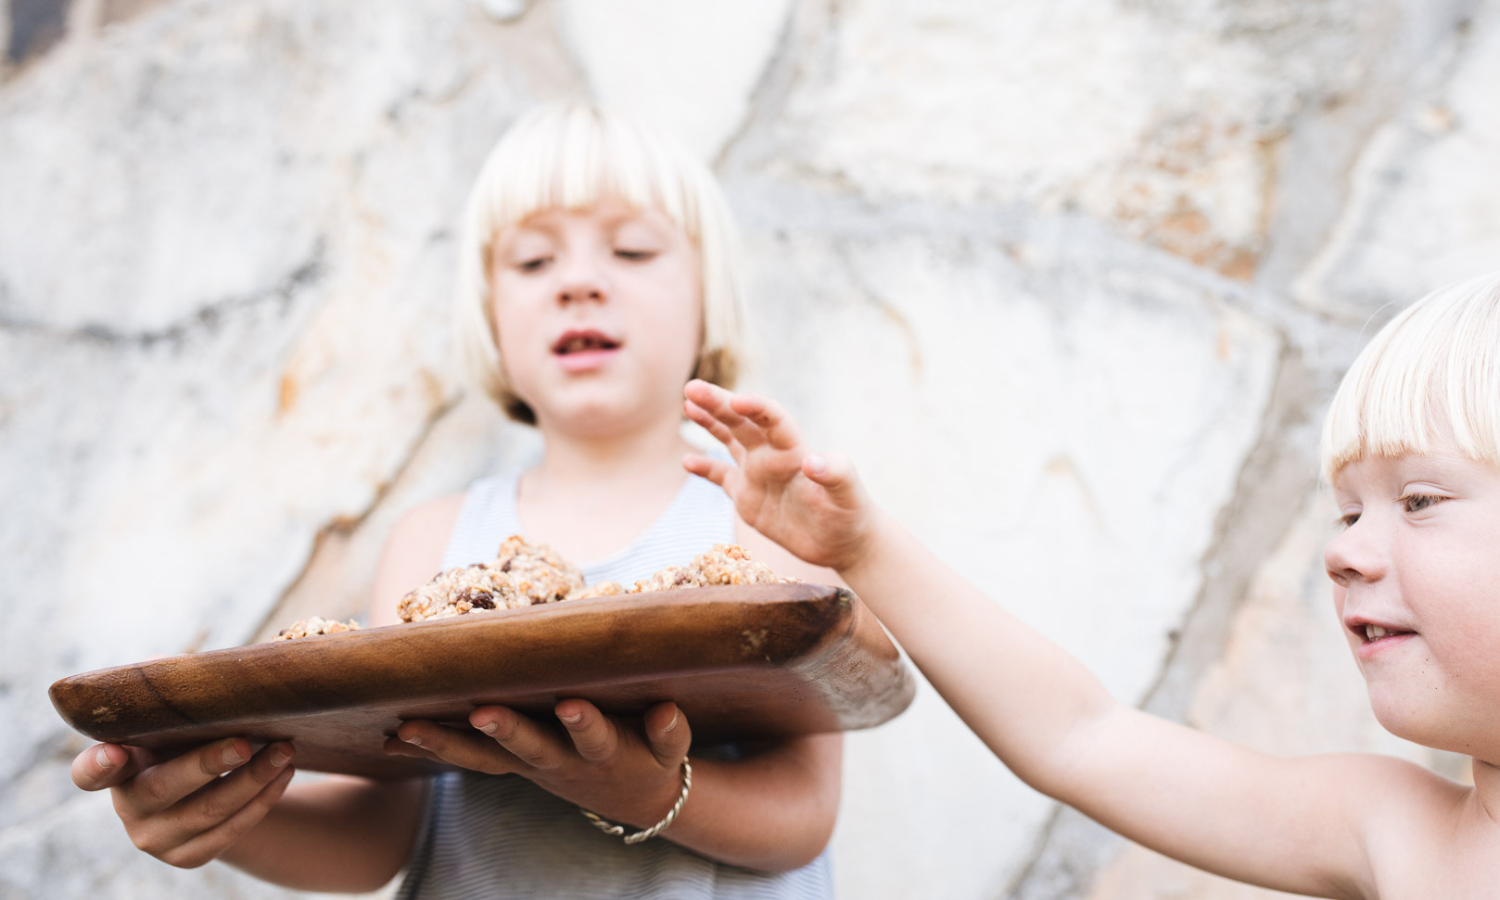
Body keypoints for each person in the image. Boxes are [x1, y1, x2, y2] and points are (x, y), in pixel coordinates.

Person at [69, 103, 842, 898]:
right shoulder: (434, 541)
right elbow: (382, 835)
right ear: (491, 316)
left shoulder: (764, 523)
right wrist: (220, 817)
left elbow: (807, 810)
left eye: (633, 249)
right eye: (534, 262)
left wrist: (646, 795)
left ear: (710, 298)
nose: (578, 282)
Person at [682, 272, 1500, 899]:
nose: (1346, 551)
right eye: (1347, 513)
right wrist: (860, 550)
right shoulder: (1392, 831)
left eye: (1419, 501)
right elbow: (1083, 737)